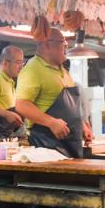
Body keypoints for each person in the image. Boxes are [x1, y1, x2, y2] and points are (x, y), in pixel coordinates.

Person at [15, 29, 93, 157]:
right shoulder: (32, 69)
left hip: (72, 143)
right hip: (47, 145)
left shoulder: (63, 71)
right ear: (47, 44)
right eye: (63, 43)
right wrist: (51, 122)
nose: (66, 47)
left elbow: (71, 107)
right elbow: (21, 104)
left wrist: (82, 126)